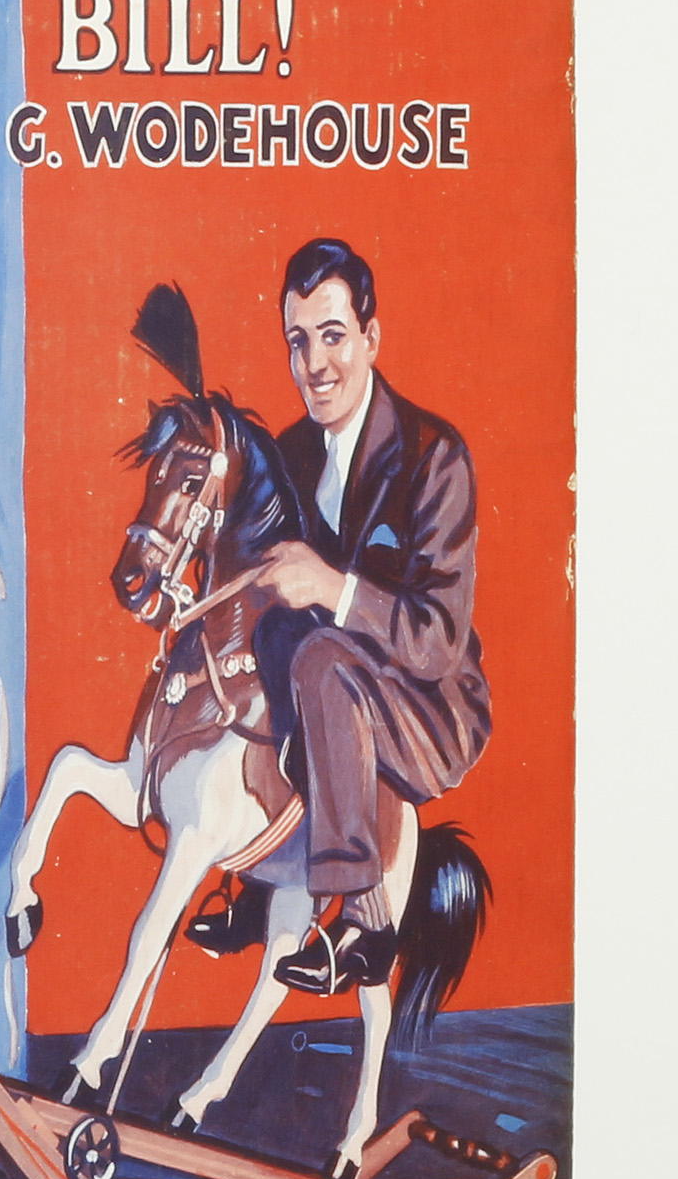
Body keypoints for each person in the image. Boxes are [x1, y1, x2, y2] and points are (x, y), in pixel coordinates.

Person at [200, 239, 492, 995]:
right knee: (275, 637)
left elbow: (436, 641)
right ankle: (262, 881)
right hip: (328, 694)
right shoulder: (290, 453)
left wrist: (332, 586)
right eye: (298, 342)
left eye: (333, 336)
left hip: (427, 707)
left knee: (321, 659)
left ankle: (367, 921)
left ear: (372, 337)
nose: (315, 364)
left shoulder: (434, 457)